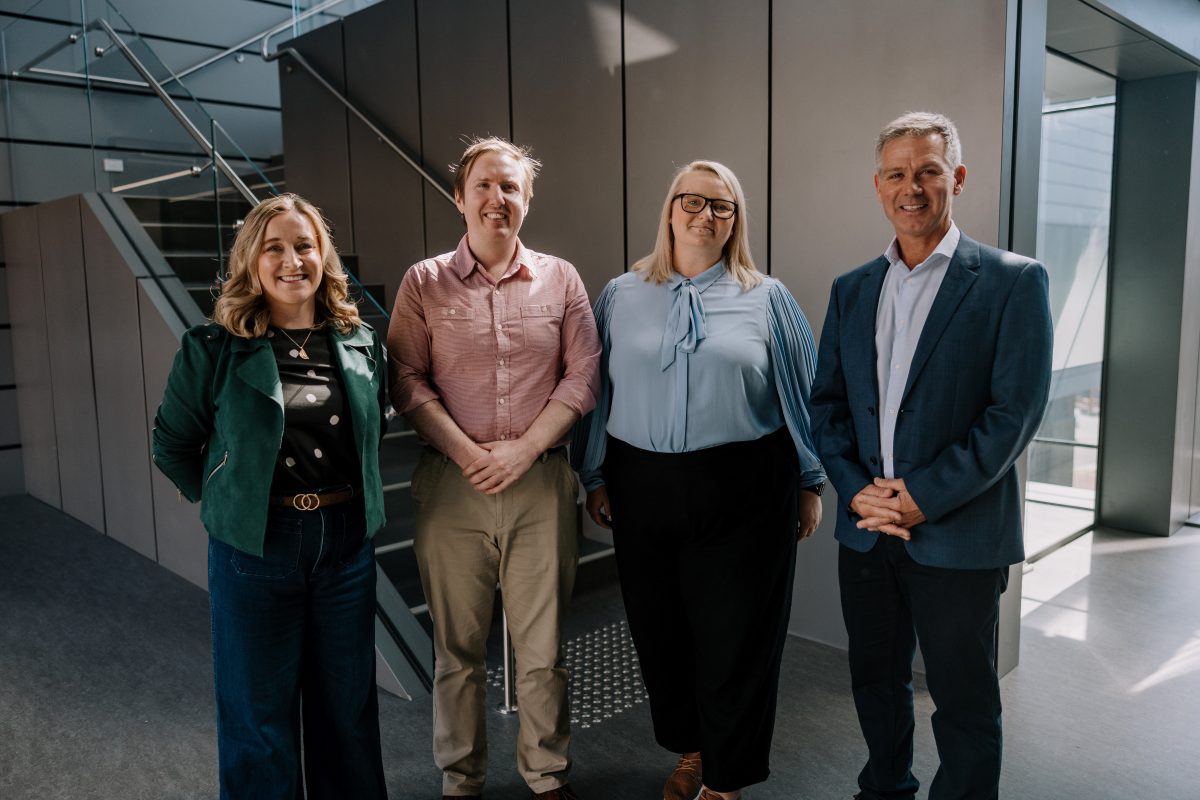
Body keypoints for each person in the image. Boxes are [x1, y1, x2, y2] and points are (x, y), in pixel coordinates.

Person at [810, 111, 1053, 800]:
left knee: (965, 702)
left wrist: (921, 496)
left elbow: (1014, 416)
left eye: (927, 171)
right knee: (874, 682)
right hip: (866, 534)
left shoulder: (1012, 281)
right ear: (877, 185)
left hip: (959, 535)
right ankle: (885, 787)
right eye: (896, 174)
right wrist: (857, 491)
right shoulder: (853, 288)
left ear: (958, 179)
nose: (910, 187)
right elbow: (824, 403)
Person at [573, 160, 826, 800]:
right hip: (641, 482)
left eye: (721, 205)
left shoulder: (767, 296)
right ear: (669, 209)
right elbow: (598, 393)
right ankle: (692, 749)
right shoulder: (619, 294)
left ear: (736, 220)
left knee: (737, 639)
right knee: (661, 635)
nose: (704, 215)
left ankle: (725, 778)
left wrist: (811, 480)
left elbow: (808, 393)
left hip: (744, 487)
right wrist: (596, 472)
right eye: (693, 201)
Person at [152, 193, 389, 800]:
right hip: (255, 550)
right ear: (251, 261)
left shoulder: (359, 339)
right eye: (274, 247)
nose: (292, 260)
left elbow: (373, 434)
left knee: (349, 715)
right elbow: (173, 444)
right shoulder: (212, 346)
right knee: (258, 720)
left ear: (323, 256)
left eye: (304, 246)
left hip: (344, 548)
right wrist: (228, 500)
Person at [387, 137, 601, 800]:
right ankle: (462, 781)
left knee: (541, 653)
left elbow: (584, 375)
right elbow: (405, 378)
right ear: (459, 197)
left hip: (540, 484)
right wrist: (469, 453)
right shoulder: (424, 281)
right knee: (458, 652)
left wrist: (524, 448)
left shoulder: (562, 278)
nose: (496, 198)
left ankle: (545, 776)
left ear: (527, 200)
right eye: (483, 185)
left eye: (510, 187)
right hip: (453, 486)